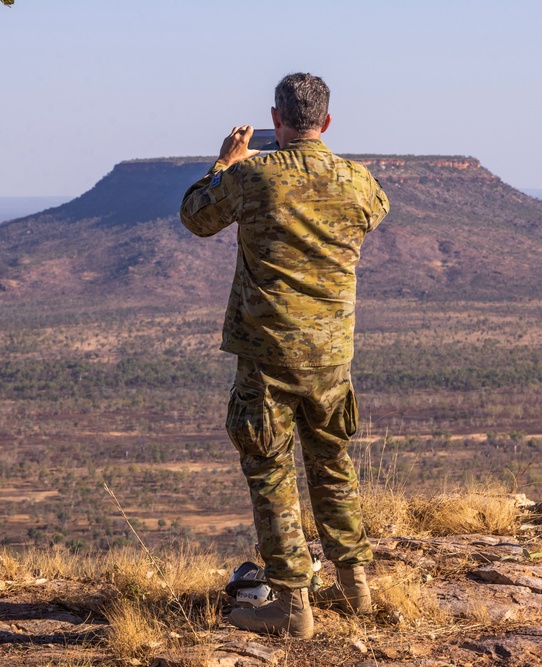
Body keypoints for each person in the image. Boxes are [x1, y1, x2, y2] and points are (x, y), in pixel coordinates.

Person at [179, 73, 389, 639]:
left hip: (268, 353)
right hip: (331, 353)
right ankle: (355, 586)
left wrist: (224, 163)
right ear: (326, 121)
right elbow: (374, 213)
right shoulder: (358, 181)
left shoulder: (251, 176)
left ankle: (292, 604)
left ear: (276, 119)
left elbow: (196, 217)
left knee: (269, 468)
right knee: (332, 461)